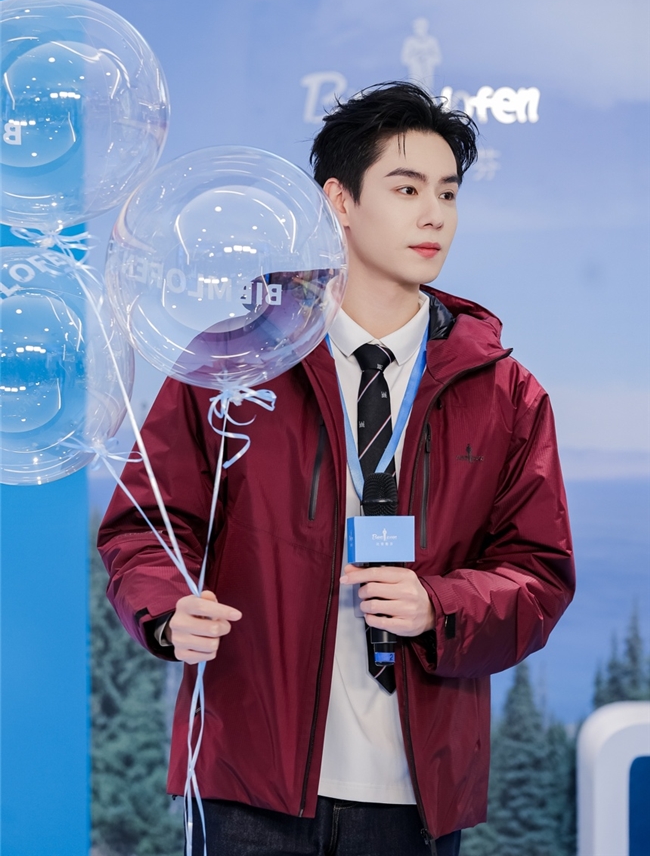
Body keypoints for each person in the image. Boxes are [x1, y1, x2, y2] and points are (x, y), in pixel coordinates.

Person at [98, 81, 575, 856]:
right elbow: (145, 524)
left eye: (448, 192)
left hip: (417, 795)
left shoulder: (506, 393)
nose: (434, 215)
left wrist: (439, 604)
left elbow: (539, 575)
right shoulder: (234, 362)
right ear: (339, 201)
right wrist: (166, 609)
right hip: (249, 781)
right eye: (407, 188)